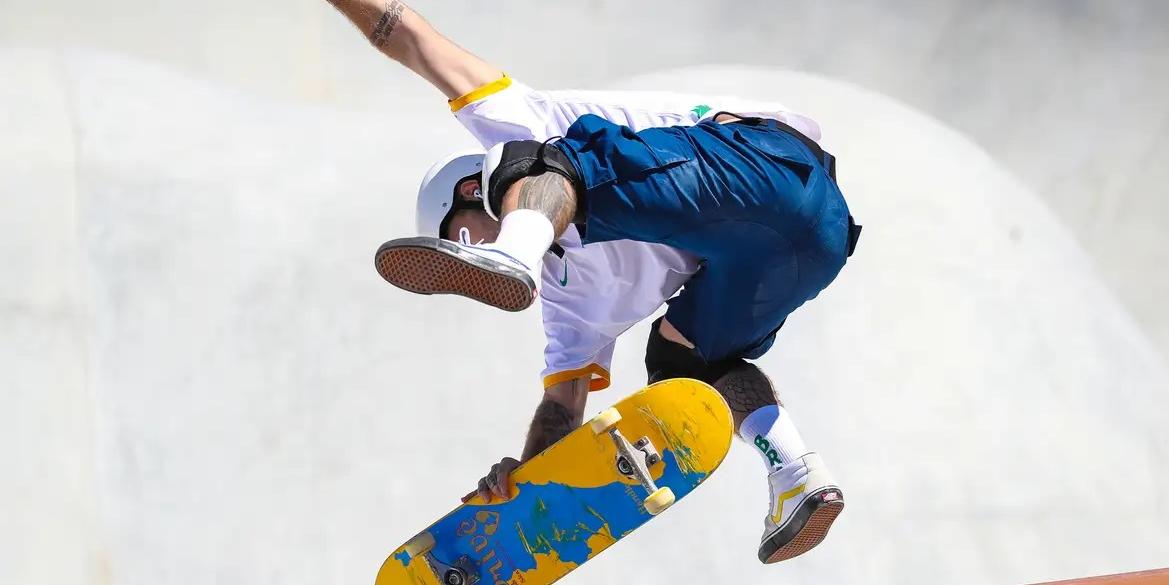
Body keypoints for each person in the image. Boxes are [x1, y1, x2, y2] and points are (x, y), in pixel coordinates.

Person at [325, 0, 861, 564]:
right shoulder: (569, 304)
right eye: (471, 251)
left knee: (530, 161)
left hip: (758, 162)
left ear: (465, 192)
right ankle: (797, 475)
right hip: (813, 239)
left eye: (464, 237)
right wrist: (526, 489)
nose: (468, 253)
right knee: (685, 367)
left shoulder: (515, 122)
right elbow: (563, 407)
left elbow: (406, 36)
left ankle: (517, 250)